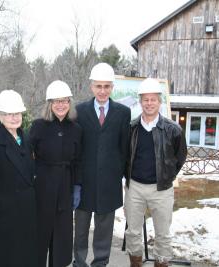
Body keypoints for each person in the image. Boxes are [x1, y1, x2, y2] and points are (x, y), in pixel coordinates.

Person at [124, 78, 187, 267]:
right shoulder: (132, 128)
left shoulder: (173, 129)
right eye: (145, 99)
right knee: (132, 233)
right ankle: (135, 263)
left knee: (162, 234)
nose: (149, 103)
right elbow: (126, 155)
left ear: (160, 102)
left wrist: (167, 177)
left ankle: (161, 263)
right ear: (140, 102)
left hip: (161, 189)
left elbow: (180, 157)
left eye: (153, 99)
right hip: (135, 187)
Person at [74, 62, 131, 267]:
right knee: (80, 229)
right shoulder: (79, 111)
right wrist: (75, 180)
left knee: (104, 230)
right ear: (91, 86)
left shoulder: (123, 113)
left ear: (112, 88)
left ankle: (100, 262)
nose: (102, 90)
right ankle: (79, 262)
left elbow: (124, 148)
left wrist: (123, 177)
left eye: (107, 86)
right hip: (84, 182)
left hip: (109, 182)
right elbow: (76, 148)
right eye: (98, 86)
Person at [0, 90, 38, 267]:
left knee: (24, 258)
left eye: (17, 113)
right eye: (9, 114)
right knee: (1, 258)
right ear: (0, 116)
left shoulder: (26, 139)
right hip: (0, 216)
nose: (14, 118)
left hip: (26, 213)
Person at [29, 80, 82, 267]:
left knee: (62, 235)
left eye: (65, 101)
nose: (61, 105)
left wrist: (77, 187)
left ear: (70, 103)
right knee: (40, 233)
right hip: (42, 185)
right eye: (56, 101)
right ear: (49, 104)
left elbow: (78, 161)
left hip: (66, 186)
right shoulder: (38, 126)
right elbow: (27, 155)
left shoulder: (76, 129)